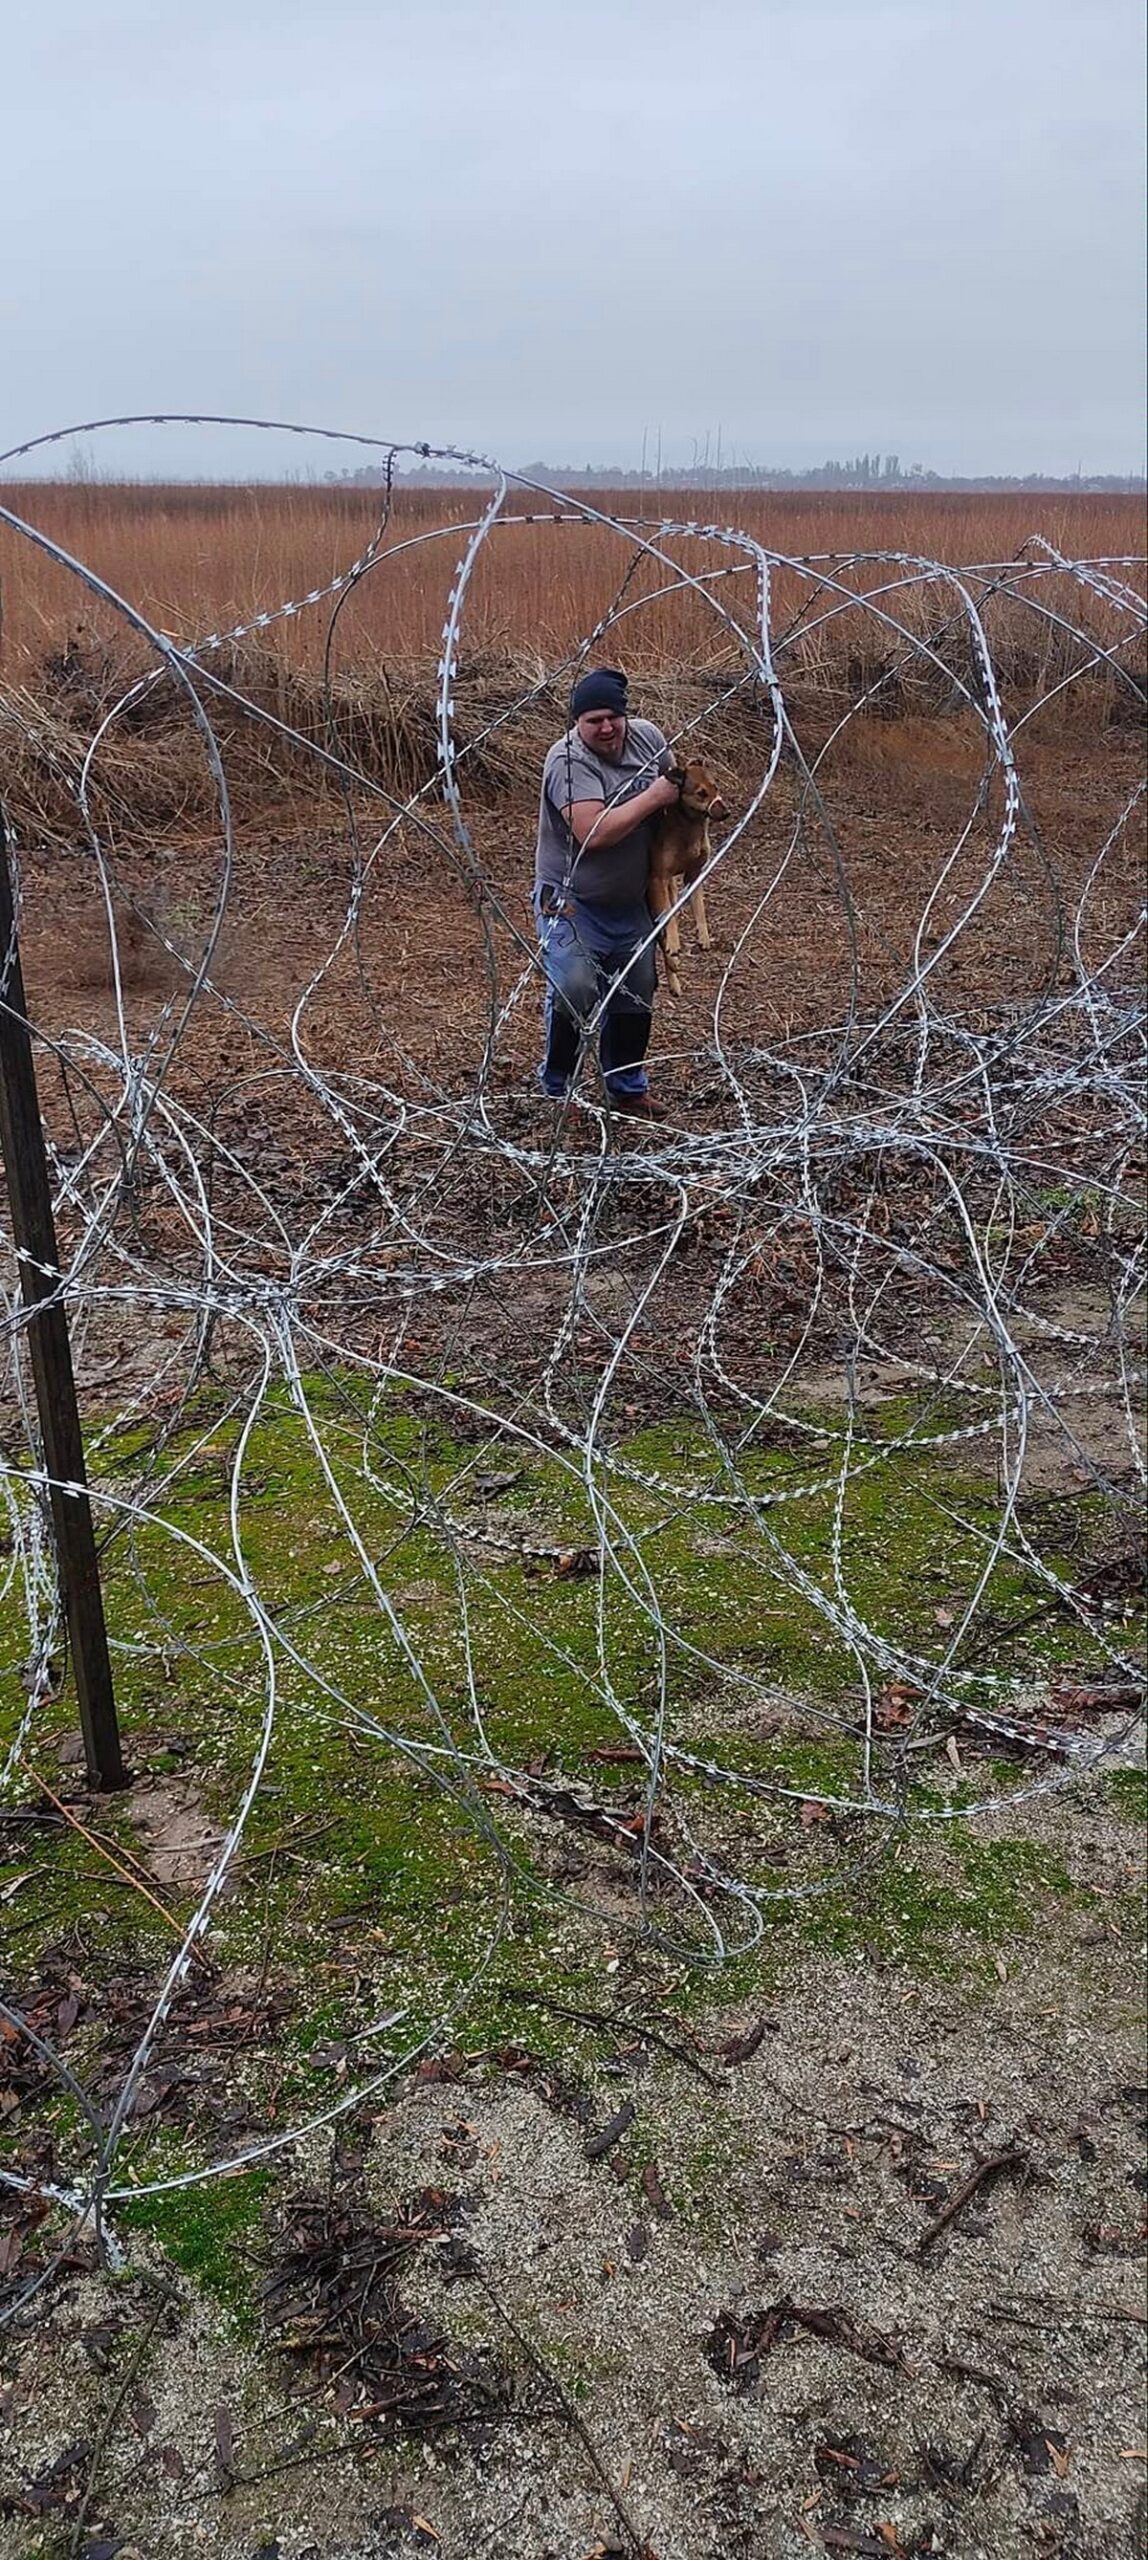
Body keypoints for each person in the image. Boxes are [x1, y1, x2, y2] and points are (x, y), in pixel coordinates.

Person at [532, 667, 681, 1119]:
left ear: (625, 714)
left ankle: (627, 1086)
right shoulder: (568, 762)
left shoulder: (648, 738)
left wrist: (684, 851)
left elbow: (677, 794)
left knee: (638, 988)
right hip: (572, 903)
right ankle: (559, 1087)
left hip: (631, 898)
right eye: (593, 719)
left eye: (612, 716)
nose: (605, 727)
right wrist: (654, 797)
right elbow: (592, 833)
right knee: (575, 987)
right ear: (577, 722)